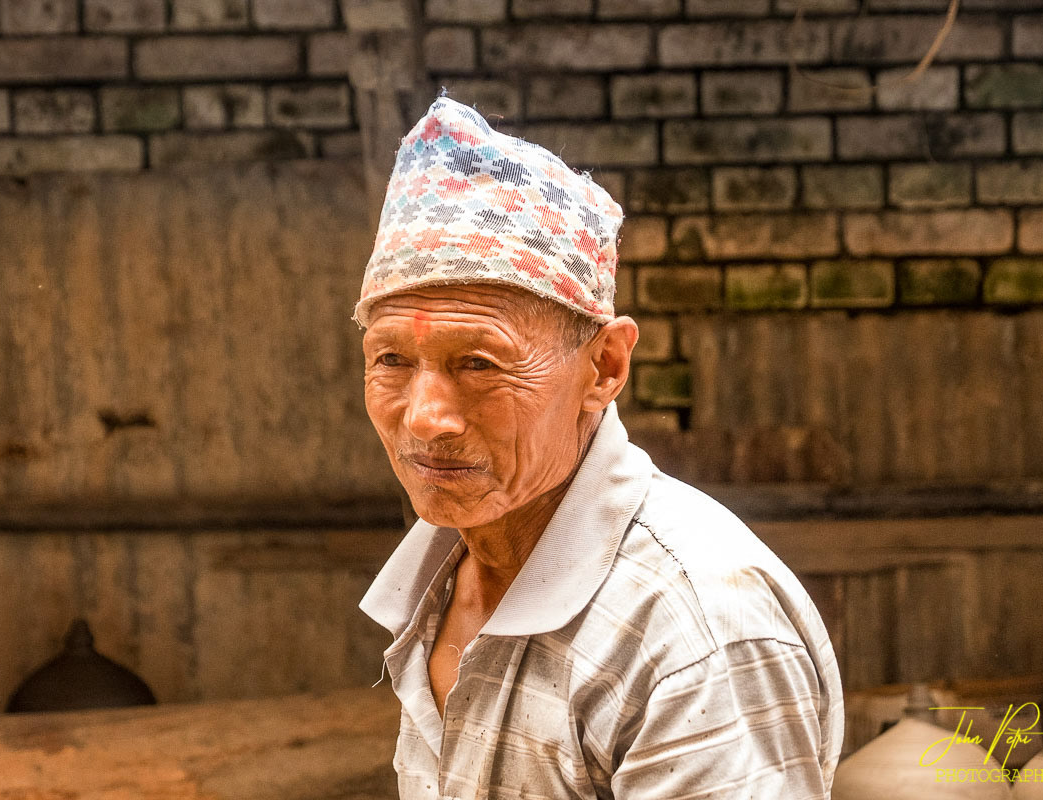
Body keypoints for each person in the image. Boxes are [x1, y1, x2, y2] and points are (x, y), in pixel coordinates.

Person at [354, 95, 843, 799]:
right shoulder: (447, 574)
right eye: (392, 360)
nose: (426, 417)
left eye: (480, 364)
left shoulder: (694, 632)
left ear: (604, 367)